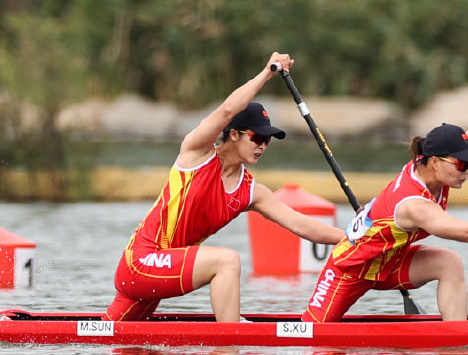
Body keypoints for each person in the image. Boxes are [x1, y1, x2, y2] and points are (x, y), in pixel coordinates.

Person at [107, 53, 346, 323]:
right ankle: (230, 348)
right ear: (234, 134)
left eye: (269, 141)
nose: (263, 146)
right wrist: (267, 74)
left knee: (115, 341)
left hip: (163, 272)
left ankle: (228, 340)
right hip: (141, 263)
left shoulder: (252, 191)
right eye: (258, 137)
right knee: (227, 260)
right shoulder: (196, 154)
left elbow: (302, 225)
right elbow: (227, 111)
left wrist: (356, 237)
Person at [303, 65, 468, 323]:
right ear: (434, 162)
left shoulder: (435, 166)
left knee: (448, 262)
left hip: (391, 263)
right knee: (311, 335)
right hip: (349, 270)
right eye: (462, 164)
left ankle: (456, 339)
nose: (466, 170)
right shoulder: (414, 204)